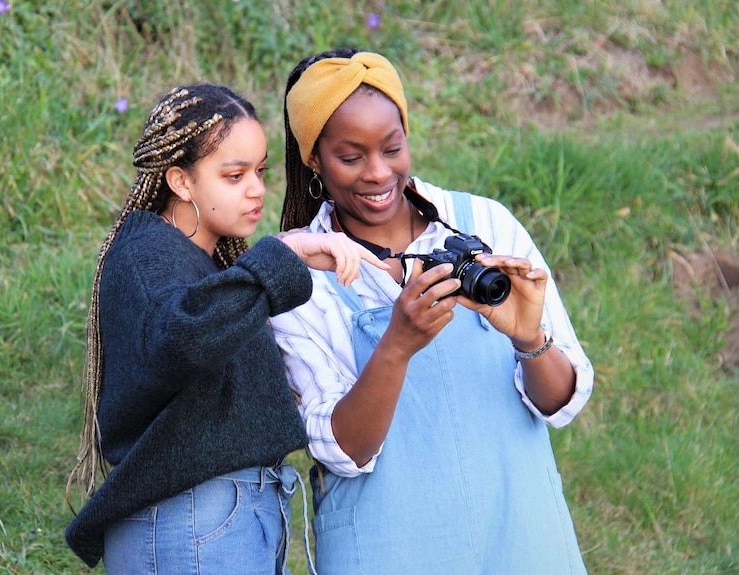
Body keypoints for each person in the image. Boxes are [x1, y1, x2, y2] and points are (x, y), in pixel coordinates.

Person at [270, 48, 595, 574]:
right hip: (386, 551)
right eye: (350, 158)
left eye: (392, 148)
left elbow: (562, 402)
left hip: (521, 536)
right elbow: (342, 450)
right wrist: (396, 345)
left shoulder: (487, 222)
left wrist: (529, 338)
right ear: (314, 160)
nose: (378, 173)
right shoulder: (298, 274)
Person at [64, 83, 387, 574]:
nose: (256, 188)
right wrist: (283, 257)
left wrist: (280, 255)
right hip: (193, 524)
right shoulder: (148, 253)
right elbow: (182, 339)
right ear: (181, 182)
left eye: (259, 171)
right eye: (234, 175)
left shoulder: (204, 262)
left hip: (213, 521)